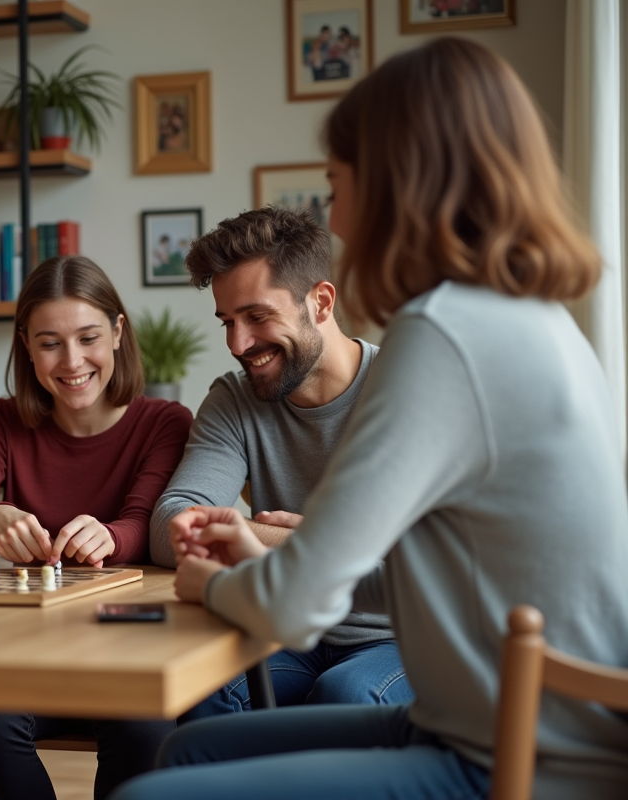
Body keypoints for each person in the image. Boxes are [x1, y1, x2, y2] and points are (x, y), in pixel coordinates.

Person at [112, 37, 628, 800]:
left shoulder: (444, 337)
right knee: (187, 753)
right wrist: (268, 550)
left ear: (396, 180)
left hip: (523, 758)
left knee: (148, 794)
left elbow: (297, 604)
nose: (336, 212)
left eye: (337, 181)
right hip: (475, 723)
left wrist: (208, 585)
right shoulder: (527, 318)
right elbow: (416, 575)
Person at [0, 255, 193, 800]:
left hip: (129, 649)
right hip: (31, 653)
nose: (72, 361)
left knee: (145, 724)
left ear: (118, 332)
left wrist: (113, 536)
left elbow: (148, 525)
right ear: (26, 346)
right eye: (50, 343)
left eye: (88, 338)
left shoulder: (165, 422)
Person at [150, 205, 410, 720]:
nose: (237, 344)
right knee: (197, 691)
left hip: (395, 639)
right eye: (228, 322)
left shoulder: (403, 389)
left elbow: (432, 564)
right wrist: (293, 541)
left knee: (344, 697)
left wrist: (282, 543)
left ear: (321, 302)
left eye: (257, 316)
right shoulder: (234, 399)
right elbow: (169, 527)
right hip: (284, 632)